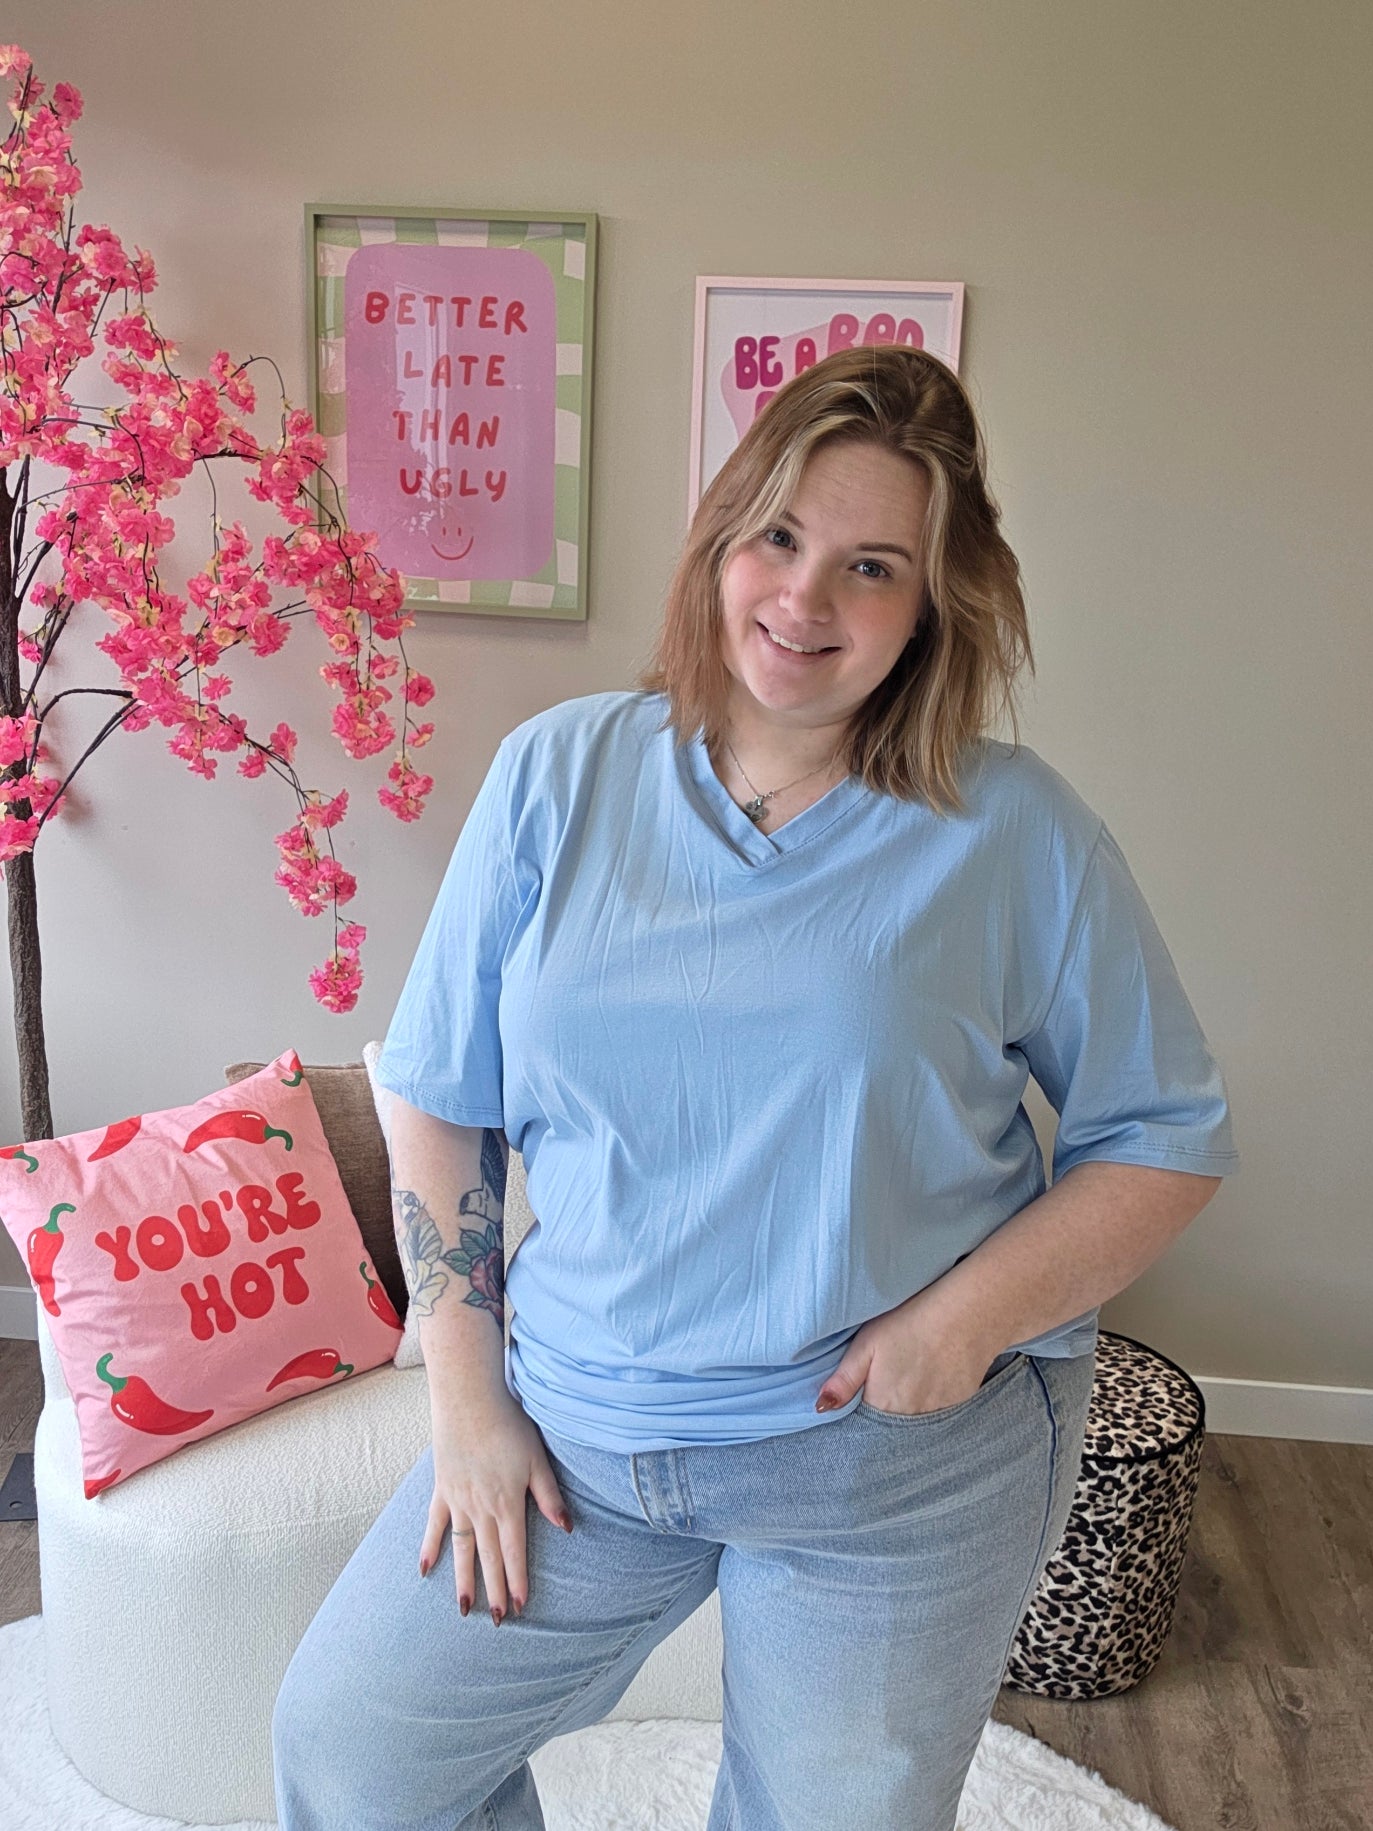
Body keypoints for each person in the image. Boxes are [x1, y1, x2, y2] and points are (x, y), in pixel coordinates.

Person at [272, 345, 1239, 1830]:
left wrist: (958, 1328)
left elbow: (1163, 1137)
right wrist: (466, 1398)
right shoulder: (558, 775)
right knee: (359, 1758)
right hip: (580, 1431)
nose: (804, 598)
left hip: (890, 1464)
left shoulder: (1014, 833)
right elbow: (440, 1092)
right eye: (778, 537)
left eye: (871, 566)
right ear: (722, 537)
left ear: (932, 603)